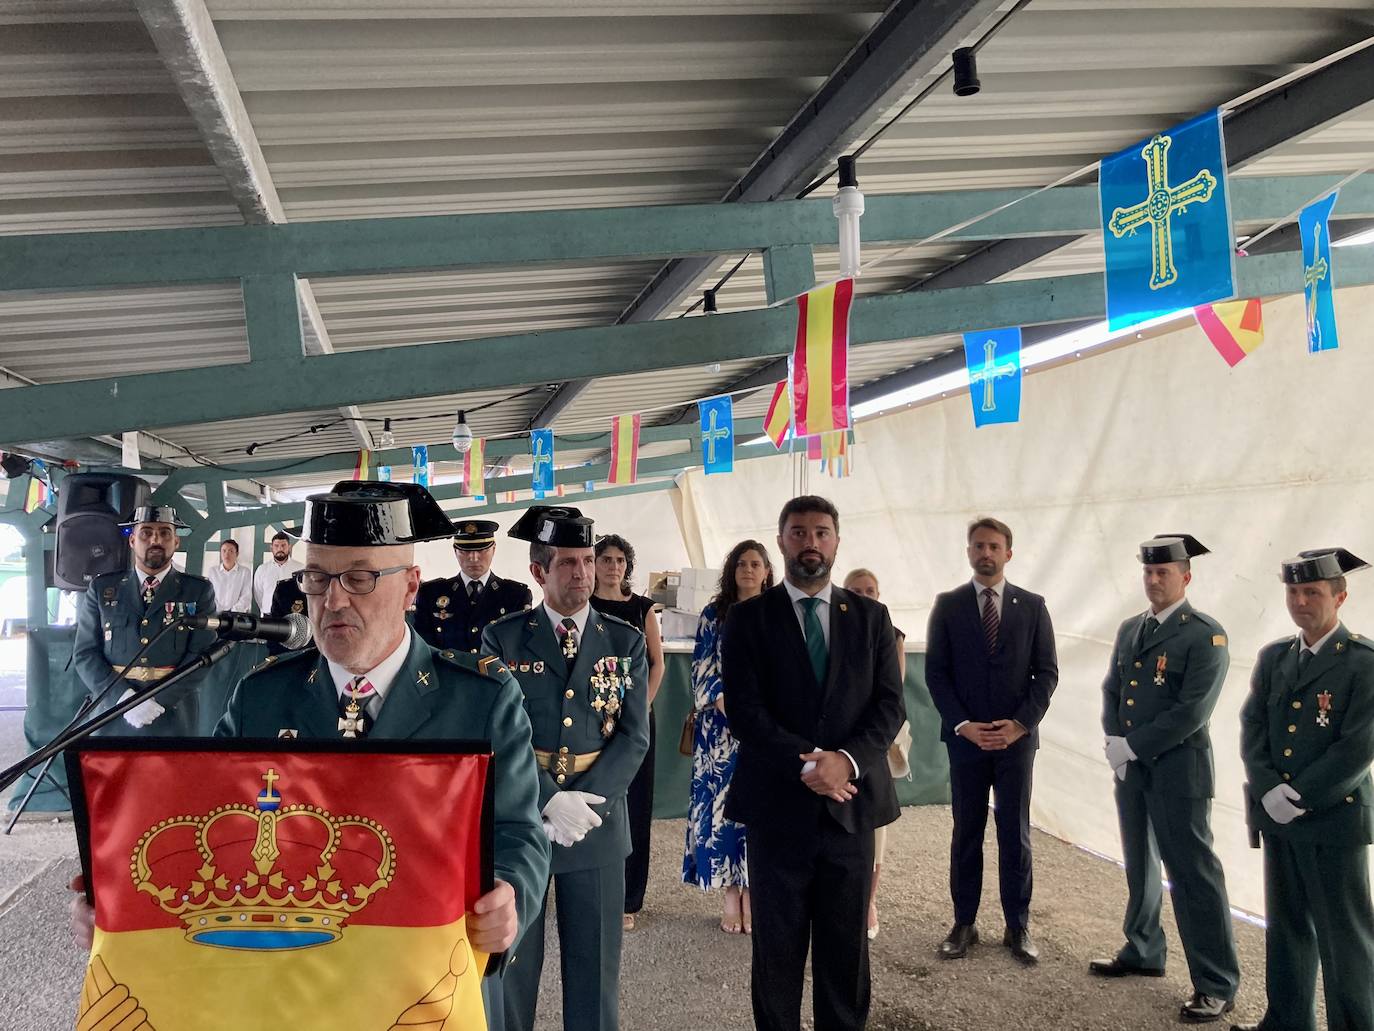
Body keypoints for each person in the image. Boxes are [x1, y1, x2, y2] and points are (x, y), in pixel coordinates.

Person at [71, 481, 550, 1031]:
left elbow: (518, 830)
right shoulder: (262, 695)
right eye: (317, 579)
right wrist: (115, 899)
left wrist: (511, 892)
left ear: (411, 586)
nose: (334, 600)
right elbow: (205, 820)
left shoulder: (480, 698)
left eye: (361, 578)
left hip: (421, 991)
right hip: (290, 989)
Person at [722, 496, 905, 1031]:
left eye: (821, 532)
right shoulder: (750, 619)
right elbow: (747, 711)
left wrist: (846, 762)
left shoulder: (870, 617)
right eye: (798, 532)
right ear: (781, 540)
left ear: (837, 542)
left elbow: (889, 705)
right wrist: (809, 766)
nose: (810, 542)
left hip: (850, 809)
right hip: (778, 808)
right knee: (777, 951)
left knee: (845, 951)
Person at [483, 505, 649, 1031]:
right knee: (509, 970)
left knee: (595, 971)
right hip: (520, 822)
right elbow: (492, 736)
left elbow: (633, 736)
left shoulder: (625, 641)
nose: (583, 573)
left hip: (596, 825)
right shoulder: (502, 639)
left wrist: (585, 802)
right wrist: (547, 799)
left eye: (587, 560)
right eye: (569, 563)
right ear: (539, 572)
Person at [1093, 535, 1239, 1024]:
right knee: (1140, 864)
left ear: (1186, 577)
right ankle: (1143, 949)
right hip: (1132, 768)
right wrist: (1115, 741)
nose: (1154, 580)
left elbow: (1192, 710)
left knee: (1194, 875)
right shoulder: (1131, 628)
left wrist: (1131, 745)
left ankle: (1216, 982)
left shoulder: (1205, 634)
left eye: (1164, 573)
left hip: (1179, 771)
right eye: (1149, 573)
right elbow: (1113, 688)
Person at [1234, 548, 1374, 1031]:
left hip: (1333, 819)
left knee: (1345, 938)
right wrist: (1268, 787)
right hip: (1278, 815)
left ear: (1340, 596)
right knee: (1288, 928)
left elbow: (1358, 746)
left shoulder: (1363, 662)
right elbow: (1253, 725)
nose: (1300, 601)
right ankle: (1286, 1023)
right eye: (1293, 591)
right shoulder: (1275, 656)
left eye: (1312, 592)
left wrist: (1300, 796)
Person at [925, 516, 1058, 965]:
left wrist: (1021, 724)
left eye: (994, 546)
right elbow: (936, 674)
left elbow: (1047, 673)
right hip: (966, 741)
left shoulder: (1034, 606)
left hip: (1016, 743)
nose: (986, 553)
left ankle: (1017, 926)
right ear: (968, 552)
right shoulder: (948, 604)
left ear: (1008, 553)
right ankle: (964, 923)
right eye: (978, 546)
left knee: (1014, 833)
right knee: (966, 831)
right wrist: (963, 724)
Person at [683, 539, 774, 935]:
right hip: (718, 733)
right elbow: (701, 664)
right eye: (742, 564)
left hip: (765, 729)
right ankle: (730, 893)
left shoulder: (779, 614)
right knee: (720, 812)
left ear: (768, 571)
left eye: (756, 564)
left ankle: (755, 892)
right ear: (731, 570)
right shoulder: (713, 614)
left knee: (760, 809)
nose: (749, 570)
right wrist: (721, 699)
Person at [72, 504, 218, 737]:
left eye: (164, 533)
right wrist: (123, 699)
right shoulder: (102, 588)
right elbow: (85, 654)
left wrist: (159, 700)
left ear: (176, 542)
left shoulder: (198, 590)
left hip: (173, 715)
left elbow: (203, 655)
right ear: (132, 541)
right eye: (146, 532)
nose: (155, 539)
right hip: (112, 714)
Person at [588, 532, 664, 932]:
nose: (613, 566)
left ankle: (629, 899)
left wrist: (640, 709)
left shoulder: (643, 608)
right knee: (594, 801)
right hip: (593, 723)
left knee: (636, 807)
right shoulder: (583, 606)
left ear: (627, 566)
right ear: (594, 564)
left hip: (636, 725)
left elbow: (657, 664)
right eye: (606, 559)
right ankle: (593, 891)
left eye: (620, 560)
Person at [843, 567, 911, 943]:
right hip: (840, 744)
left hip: (874, 743)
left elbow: (892, 695)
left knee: (875, 827)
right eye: (857, 590)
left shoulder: (892, 635)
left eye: (871, 590)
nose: (865, 596)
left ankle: (869, 901)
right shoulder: (831, 632)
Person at [414, 518, 533, 654]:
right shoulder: (431, 593)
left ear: (493, 549)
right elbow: (423, 648)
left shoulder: (515, 595)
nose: (474, 558)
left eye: (482, 550)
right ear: (455, 551)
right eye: (465, 551)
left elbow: (521, 648)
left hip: (499, 674)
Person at [253, 530, 303, 613]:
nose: (280, 549)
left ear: (289, 547)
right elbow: (258, 594)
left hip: (292, 615)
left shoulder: (300, 568)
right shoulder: (262, 569)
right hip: (269, 616)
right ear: (271, 548)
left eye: (283, 545)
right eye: (276, 546)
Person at [205, 538, 252, 612]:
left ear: (237, 554)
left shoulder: (245, 572)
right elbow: (209, 594)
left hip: (236, 614)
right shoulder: (213, 571)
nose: (227, 554)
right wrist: (218, 610)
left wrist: (233, 611)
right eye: (224, 551)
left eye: (231, 551)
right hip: (215, 613)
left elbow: (246, 596)